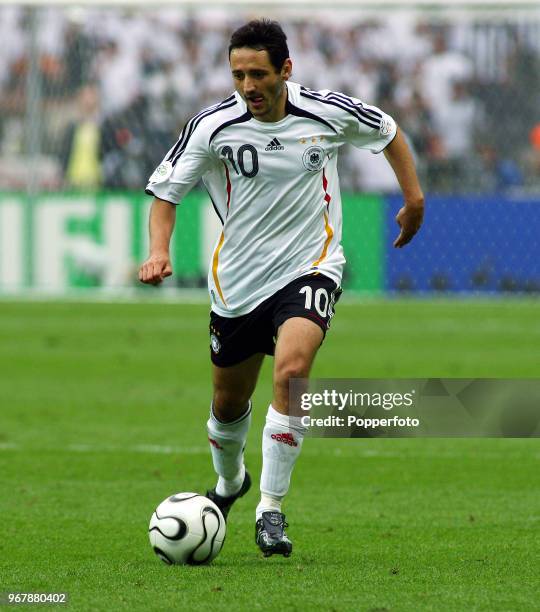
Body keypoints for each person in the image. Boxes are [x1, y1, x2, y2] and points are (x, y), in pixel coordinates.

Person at [139, 19, 424, 558]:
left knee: (292, 373)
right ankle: (229, 486)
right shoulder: (212, 126)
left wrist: (414, 200)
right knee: (228, 404)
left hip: (310, 266)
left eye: (258, 74)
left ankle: (270, 509)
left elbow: (388, 131)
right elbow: (165, 192)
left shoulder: (327, 111)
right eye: (238, 74)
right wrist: (159, 251)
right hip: (238, 283)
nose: (248, 86)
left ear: (285, 70)